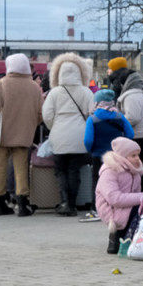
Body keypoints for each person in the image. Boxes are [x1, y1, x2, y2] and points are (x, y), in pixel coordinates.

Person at [0, 53, 44, 217]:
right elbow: (40, 113)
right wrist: (30, 125)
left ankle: (1, 203)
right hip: (24, 135)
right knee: (21, 169)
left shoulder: (2, 84)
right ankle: (23, 204)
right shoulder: (34, 87)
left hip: (1, 135)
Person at [41, 54, 95, 216]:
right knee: (74, 169)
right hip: (80, 137)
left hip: (59, 136)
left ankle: (65, 202)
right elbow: (92, 114)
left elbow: (47, 115)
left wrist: (54, 128)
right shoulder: (86, 92)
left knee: (60, 170)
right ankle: (73, 203)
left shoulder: (54, 92)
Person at [96, 138, 143, 256]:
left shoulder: (135, 171)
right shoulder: (109, 171)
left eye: (138, 155)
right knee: (140, 206)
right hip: (110, 209)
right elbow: (114, 199)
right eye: (133, 155)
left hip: (126, 205)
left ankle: (131, 238)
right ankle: (118, 237)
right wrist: (142, 197)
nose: (137, 158)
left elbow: (136, 194)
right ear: (122, 156)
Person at [84, 88, 135, 204]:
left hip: (98, 154)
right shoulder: (120, 117)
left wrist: (90, 150)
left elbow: (88, 140)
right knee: (117, 180)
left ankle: (97, 205)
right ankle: (116, 203)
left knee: (97, 179)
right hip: (116, 156)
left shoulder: (92, 119)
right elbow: (130, 134)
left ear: (97, 102)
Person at [117, 71, 143, 191]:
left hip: (135, 136)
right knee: (141, 168)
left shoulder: (130, 96)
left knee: (132, 169)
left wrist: (120, 122)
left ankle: (136, 195)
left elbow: (133, 117)